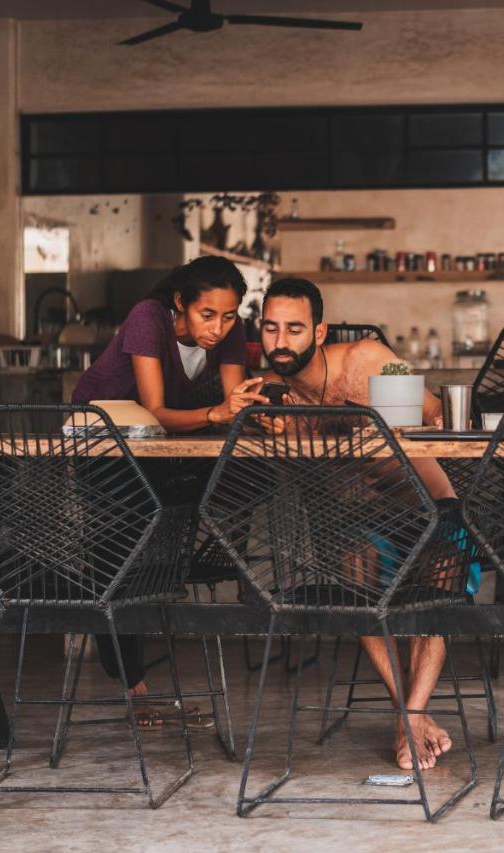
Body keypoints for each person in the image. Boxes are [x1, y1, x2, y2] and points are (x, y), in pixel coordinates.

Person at [252, 276, 470, 771]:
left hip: (430, 507)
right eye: (270, 329)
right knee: (353, 572)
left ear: (320, 331)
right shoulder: (275, 401)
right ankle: (412, 718)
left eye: (294, 329)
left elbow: (436, 415)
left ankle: (408, 717)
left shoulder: (368, 360)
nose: (280, 342)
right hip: (358, 521)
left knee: (443, 573)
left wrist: (395, 418)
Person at [71, 256, 267, 716]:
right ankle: (130, 676)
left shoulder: (230, 330)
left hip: (158, 445)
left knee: (254, 473)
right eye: (206, 315)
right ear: (180, 303)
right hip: (103, 441)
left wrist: (250, 415)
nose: (218, 328)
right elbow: (155, 408)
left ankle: (184, 559)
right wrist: (218, 414)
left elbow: (235, 407)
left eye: (228, 315)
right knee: (118, 551)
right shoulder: (147, 318)